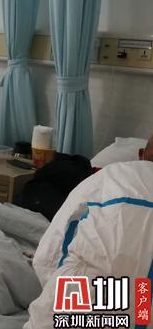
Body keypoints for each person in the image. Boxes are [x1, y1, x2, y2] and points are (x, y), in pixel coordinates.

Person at [24, 135, 153, 328]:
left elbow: (52, 247)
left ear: (140, 155)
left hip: (85, 287)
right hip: (143, 299)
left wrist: (52, 285)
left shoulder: (110, 175)